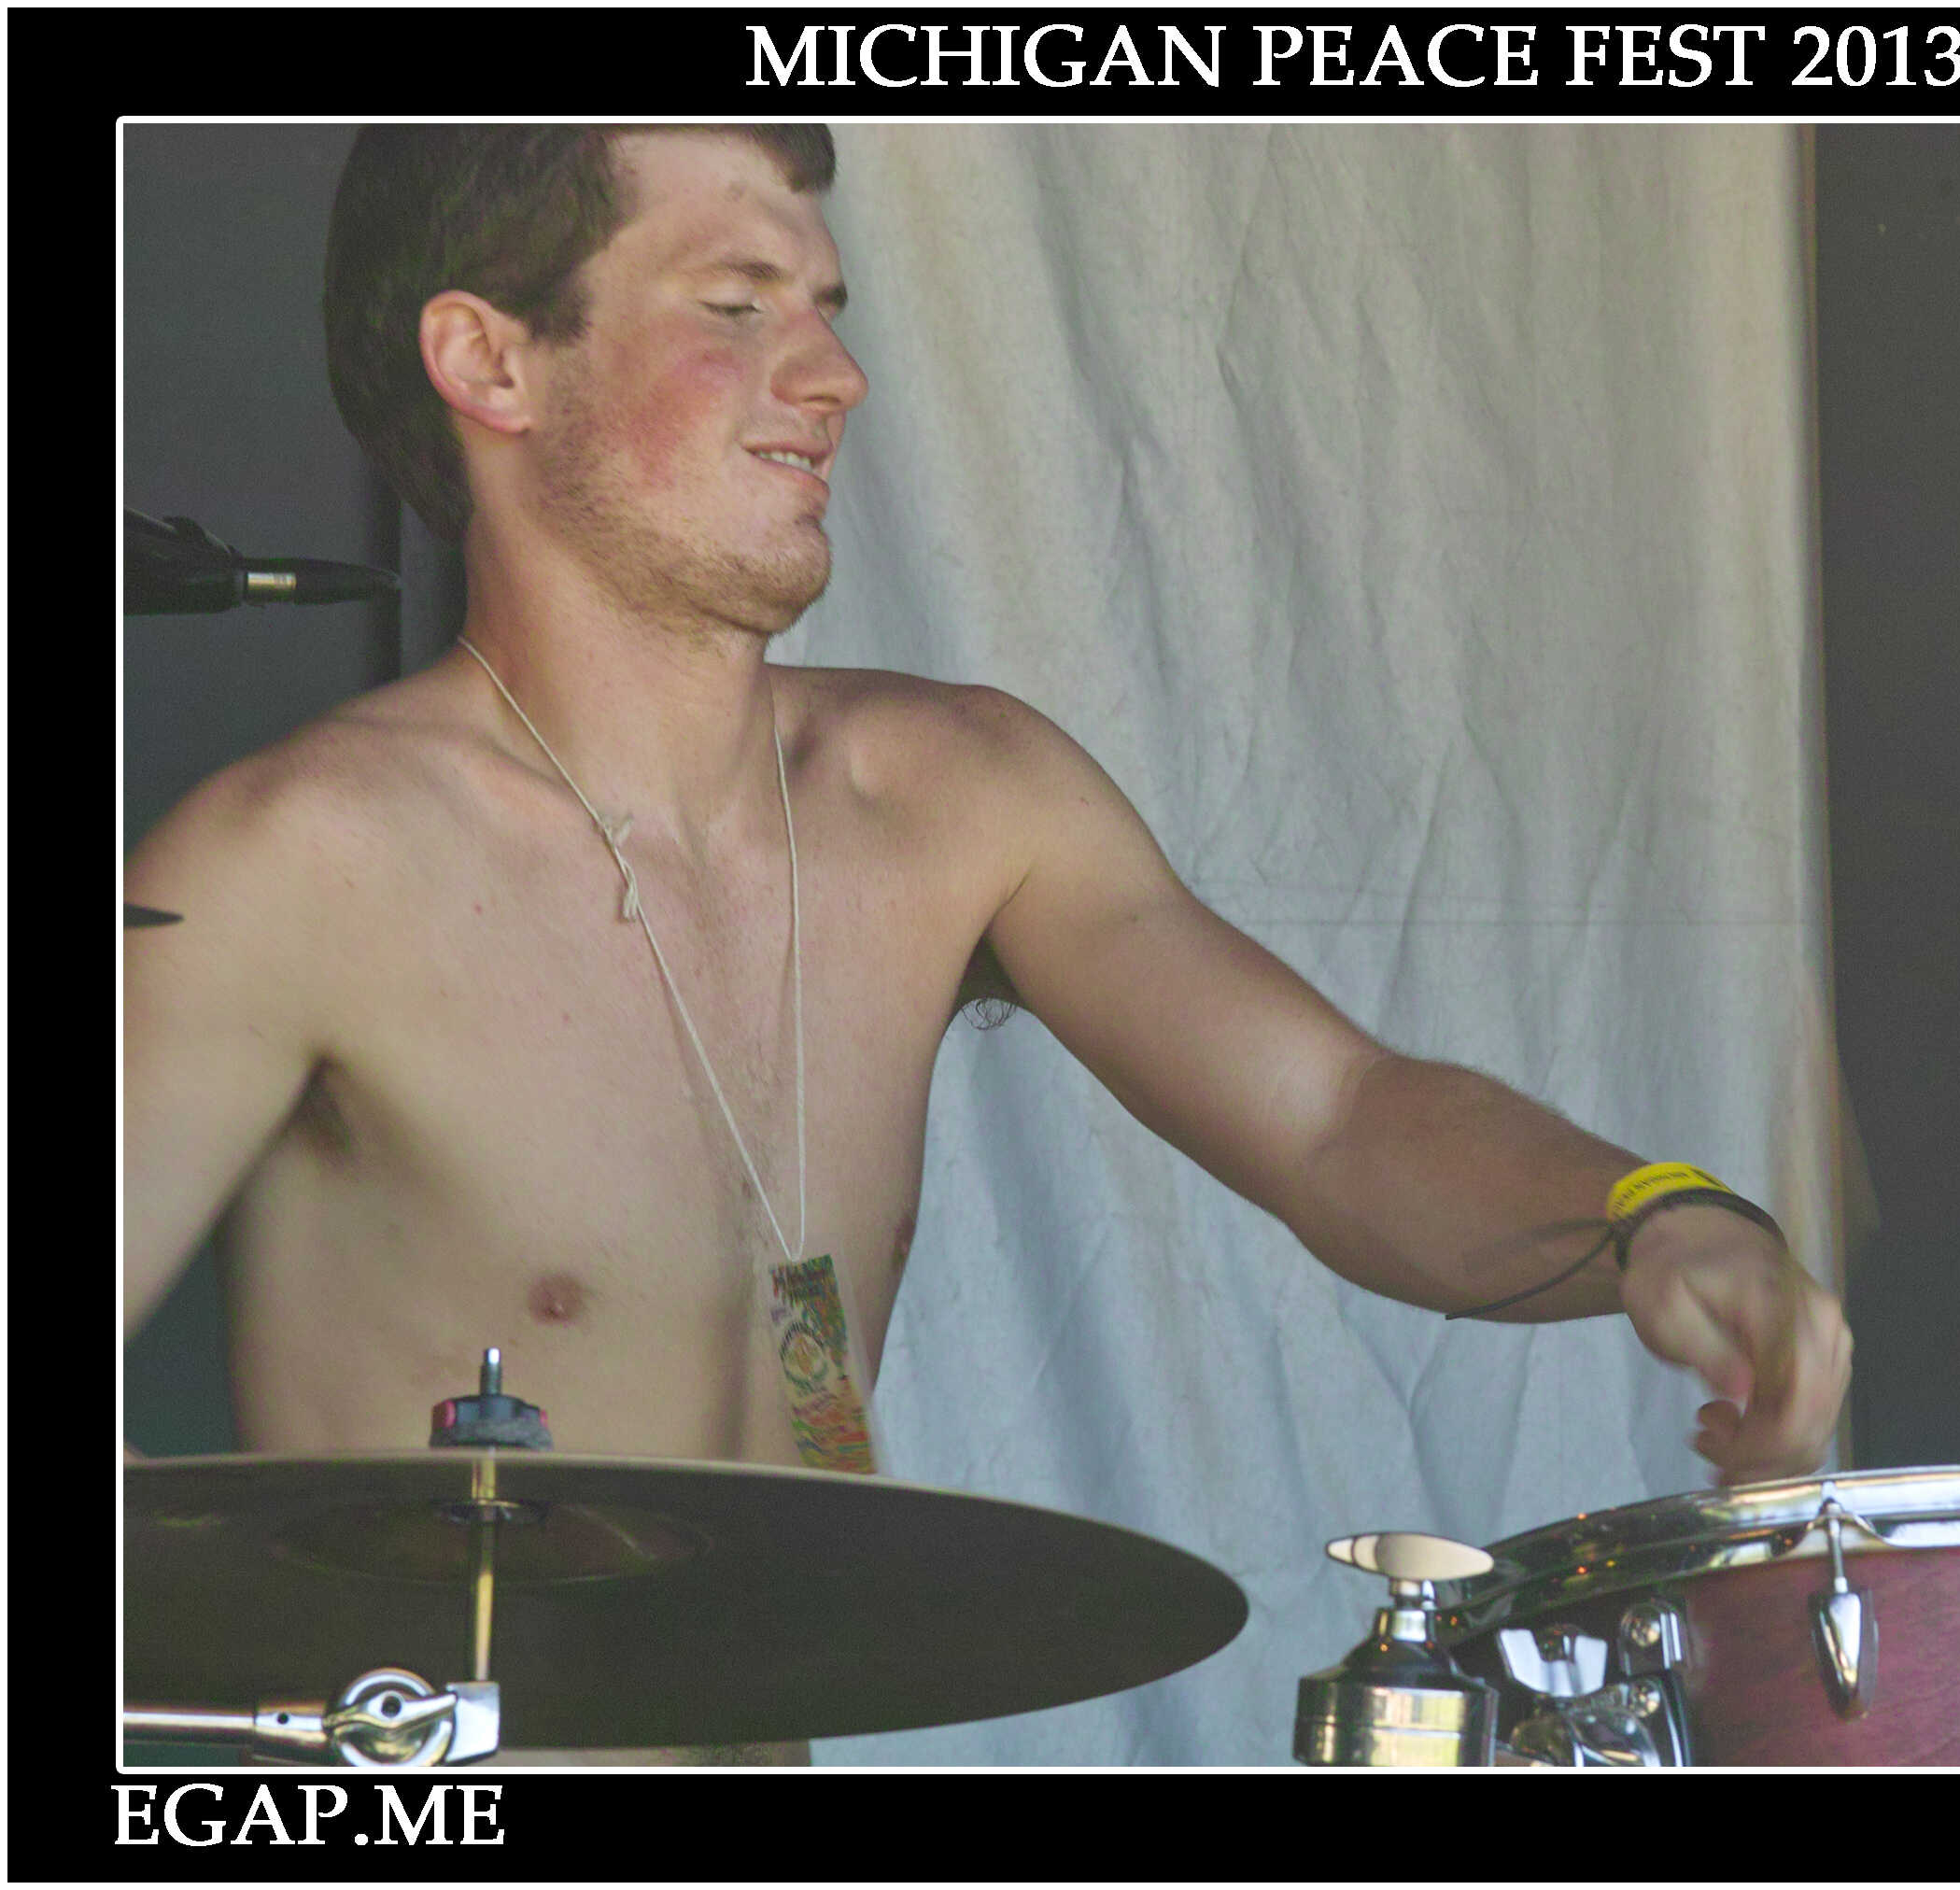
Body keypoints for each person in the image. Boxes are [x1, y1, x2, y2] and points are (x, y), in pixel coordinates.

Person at [122, 125, 1852, 1764]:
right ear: (492, 363)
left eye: (827, 308)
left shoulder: (957, 792)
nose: (834, 376)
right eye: (736, 306)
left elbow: (1338, 1118)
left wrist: (1656, 1211)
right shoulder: (296, 864)